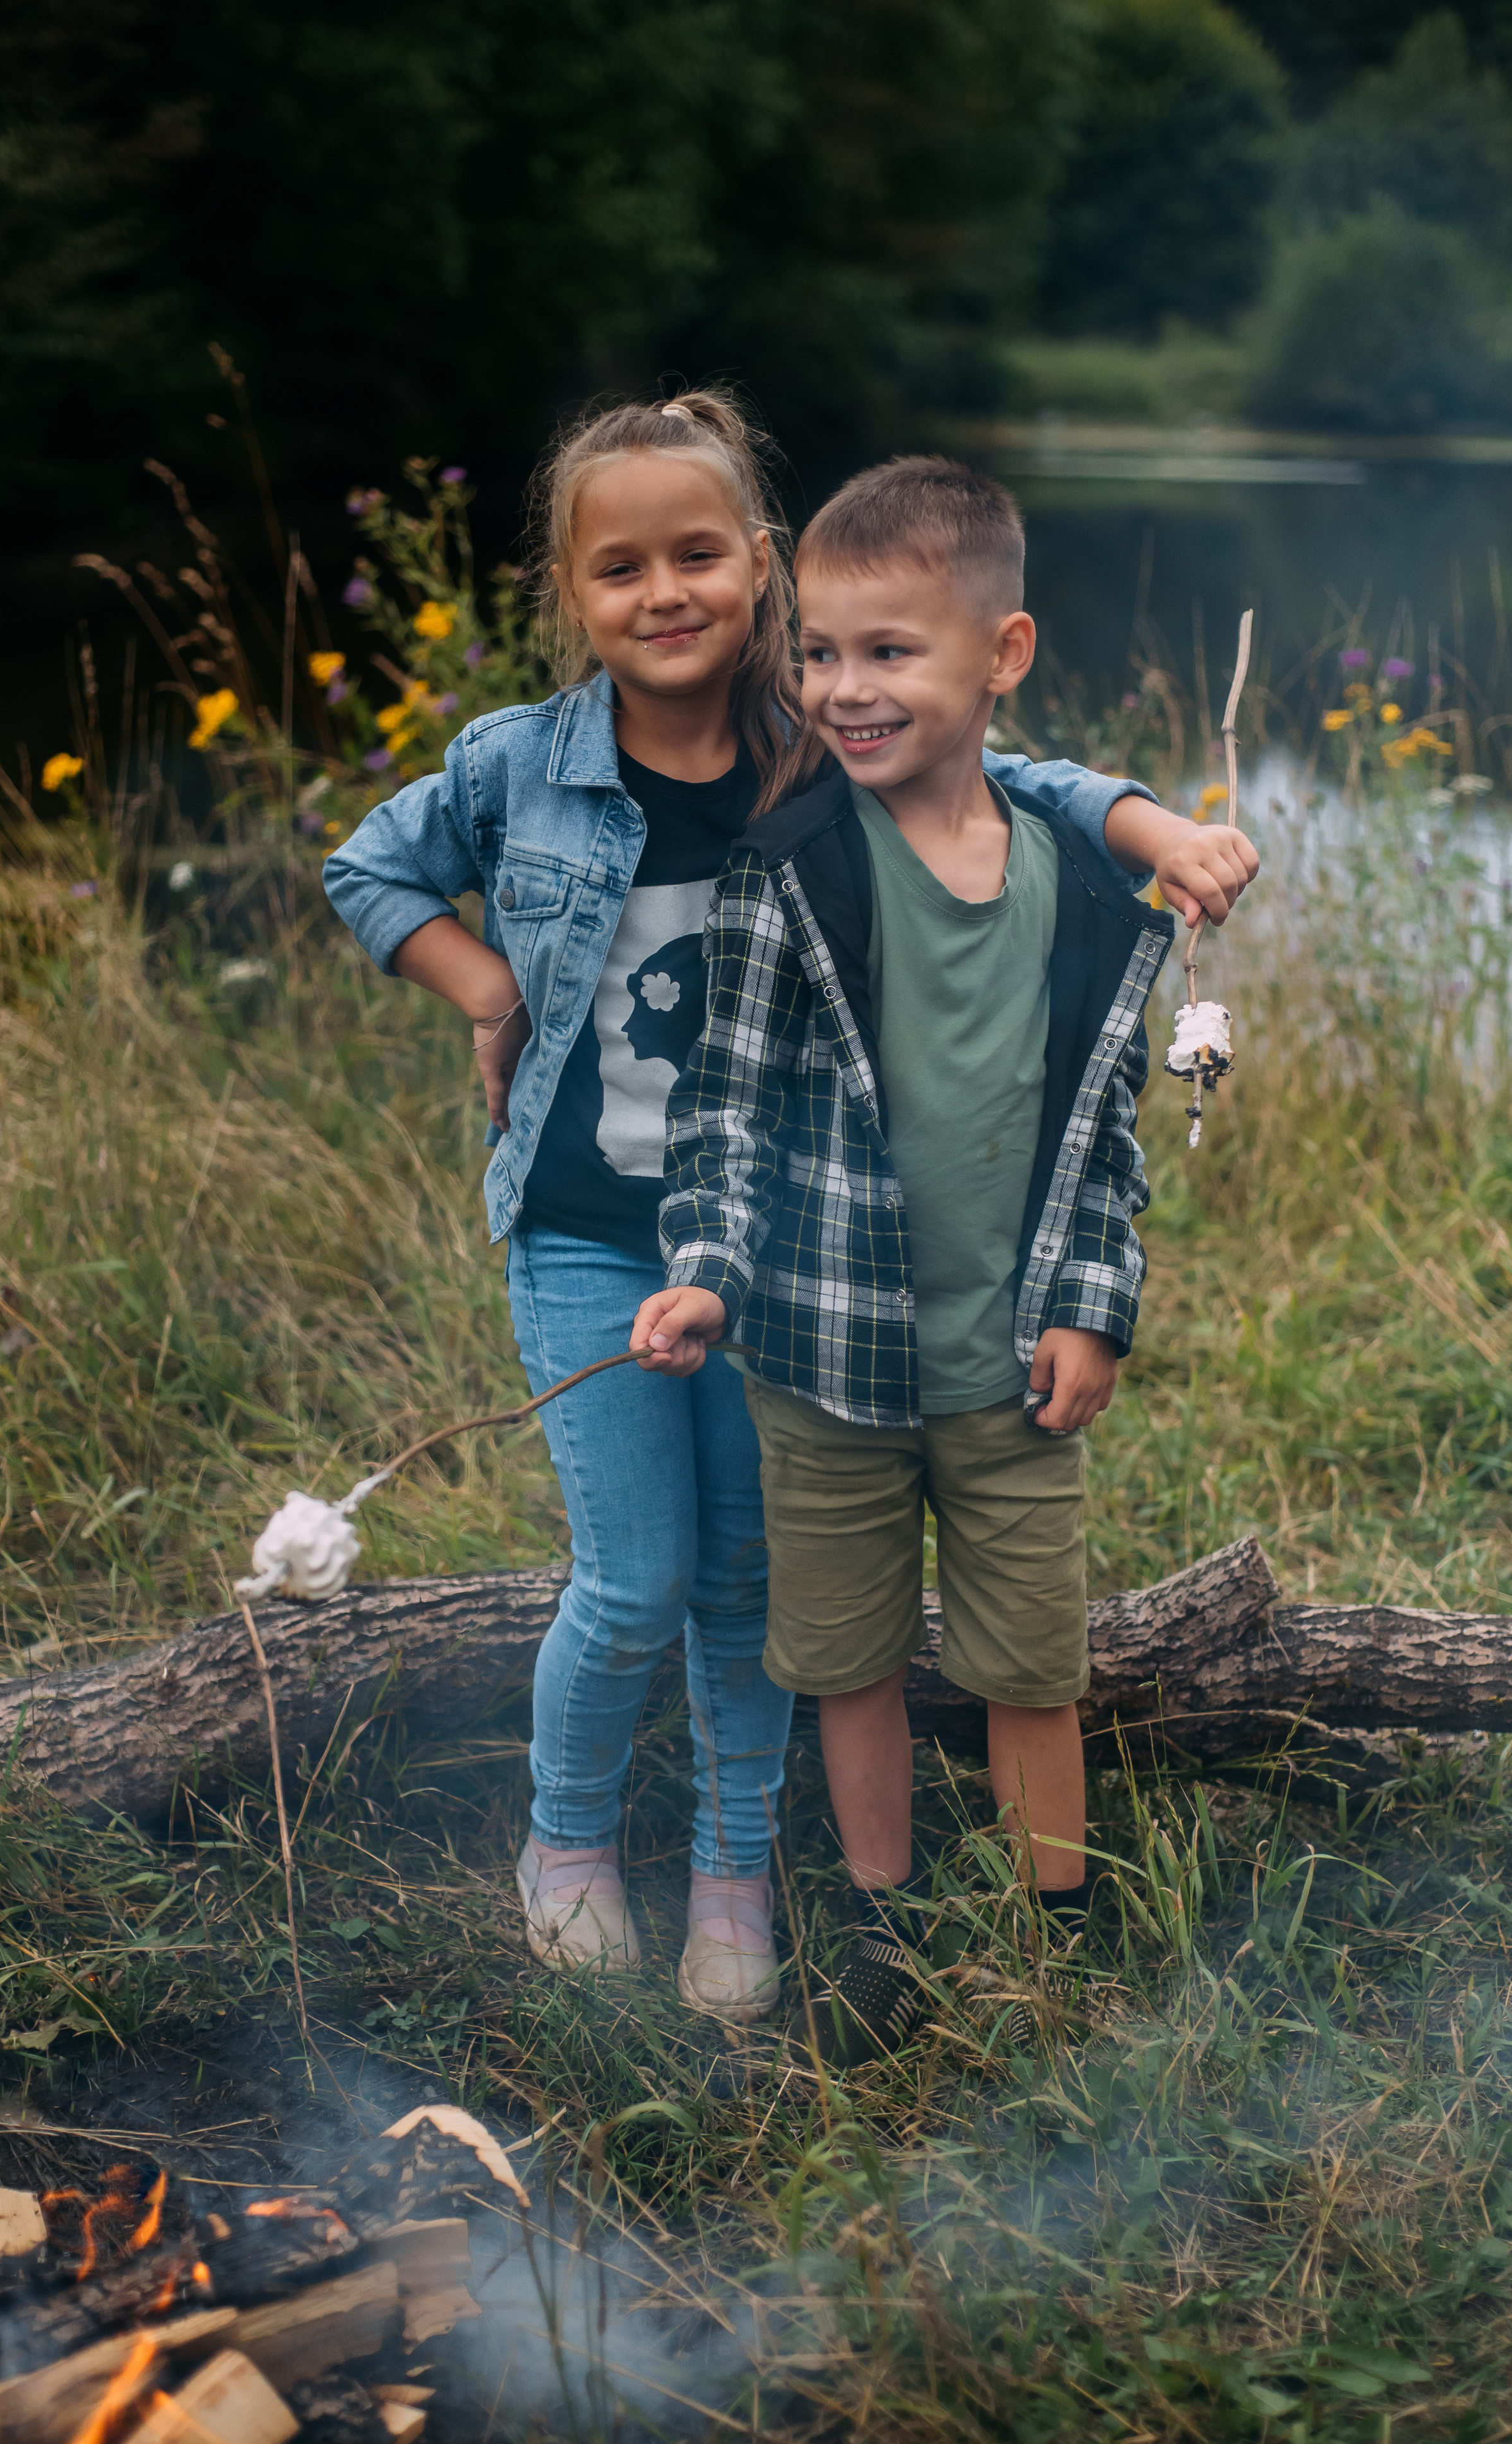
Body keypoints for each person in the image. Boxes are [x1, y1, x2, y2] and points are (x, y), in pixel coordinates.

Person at [326, 398, 1249, 2029]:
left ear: (757, 571)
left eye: (699, 555)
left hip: (781, 1243)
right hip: (585, 1225)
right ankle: (565, 1843)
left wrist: (1154, 823)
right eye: (619, 567)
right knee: (631, 1578)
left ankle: (738, 1868)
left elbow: (1012, 767)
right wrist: (490, 988)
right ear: (569, 588)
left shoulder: (816, 739)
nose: (663, 592)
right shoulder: (518, 763)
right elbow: (368, 869)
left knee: (753, 1576)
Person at [630, 454, 1258, 2064]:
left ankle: (1048, 1938)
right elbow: (723, 1112)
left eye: (890, 653)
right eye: (820, 653)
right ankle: (880, 1929)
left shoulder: (1082, 898)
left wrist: (1094, 1315)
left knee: (1026, 1665)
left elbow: (1105, 1148)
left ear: (1004, 655)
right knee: (846, 1664)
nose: (843, 690)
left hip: (1013, 1376)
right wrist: (706, 1267)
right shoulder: (793, 872)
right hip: (825, 1367)